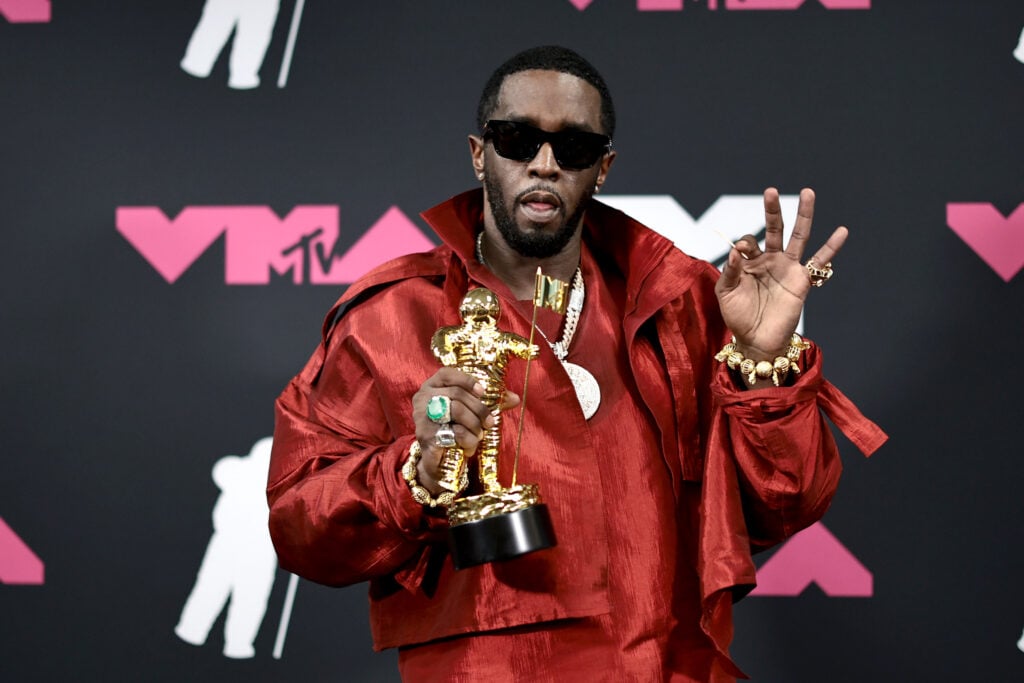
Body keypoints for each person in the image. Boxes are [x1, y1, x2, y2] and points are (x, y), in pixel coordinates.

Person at [267, 45, 886, 682]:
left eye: (575, 149)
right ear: (480, 154)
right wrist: (414, 476)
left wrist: (764, 361)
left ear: (603, 169)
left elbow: (787, 503)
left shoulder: (686, 304)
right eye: (517, 140)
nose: (544, 164)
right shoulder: (390, 317)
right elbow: (299, 528)